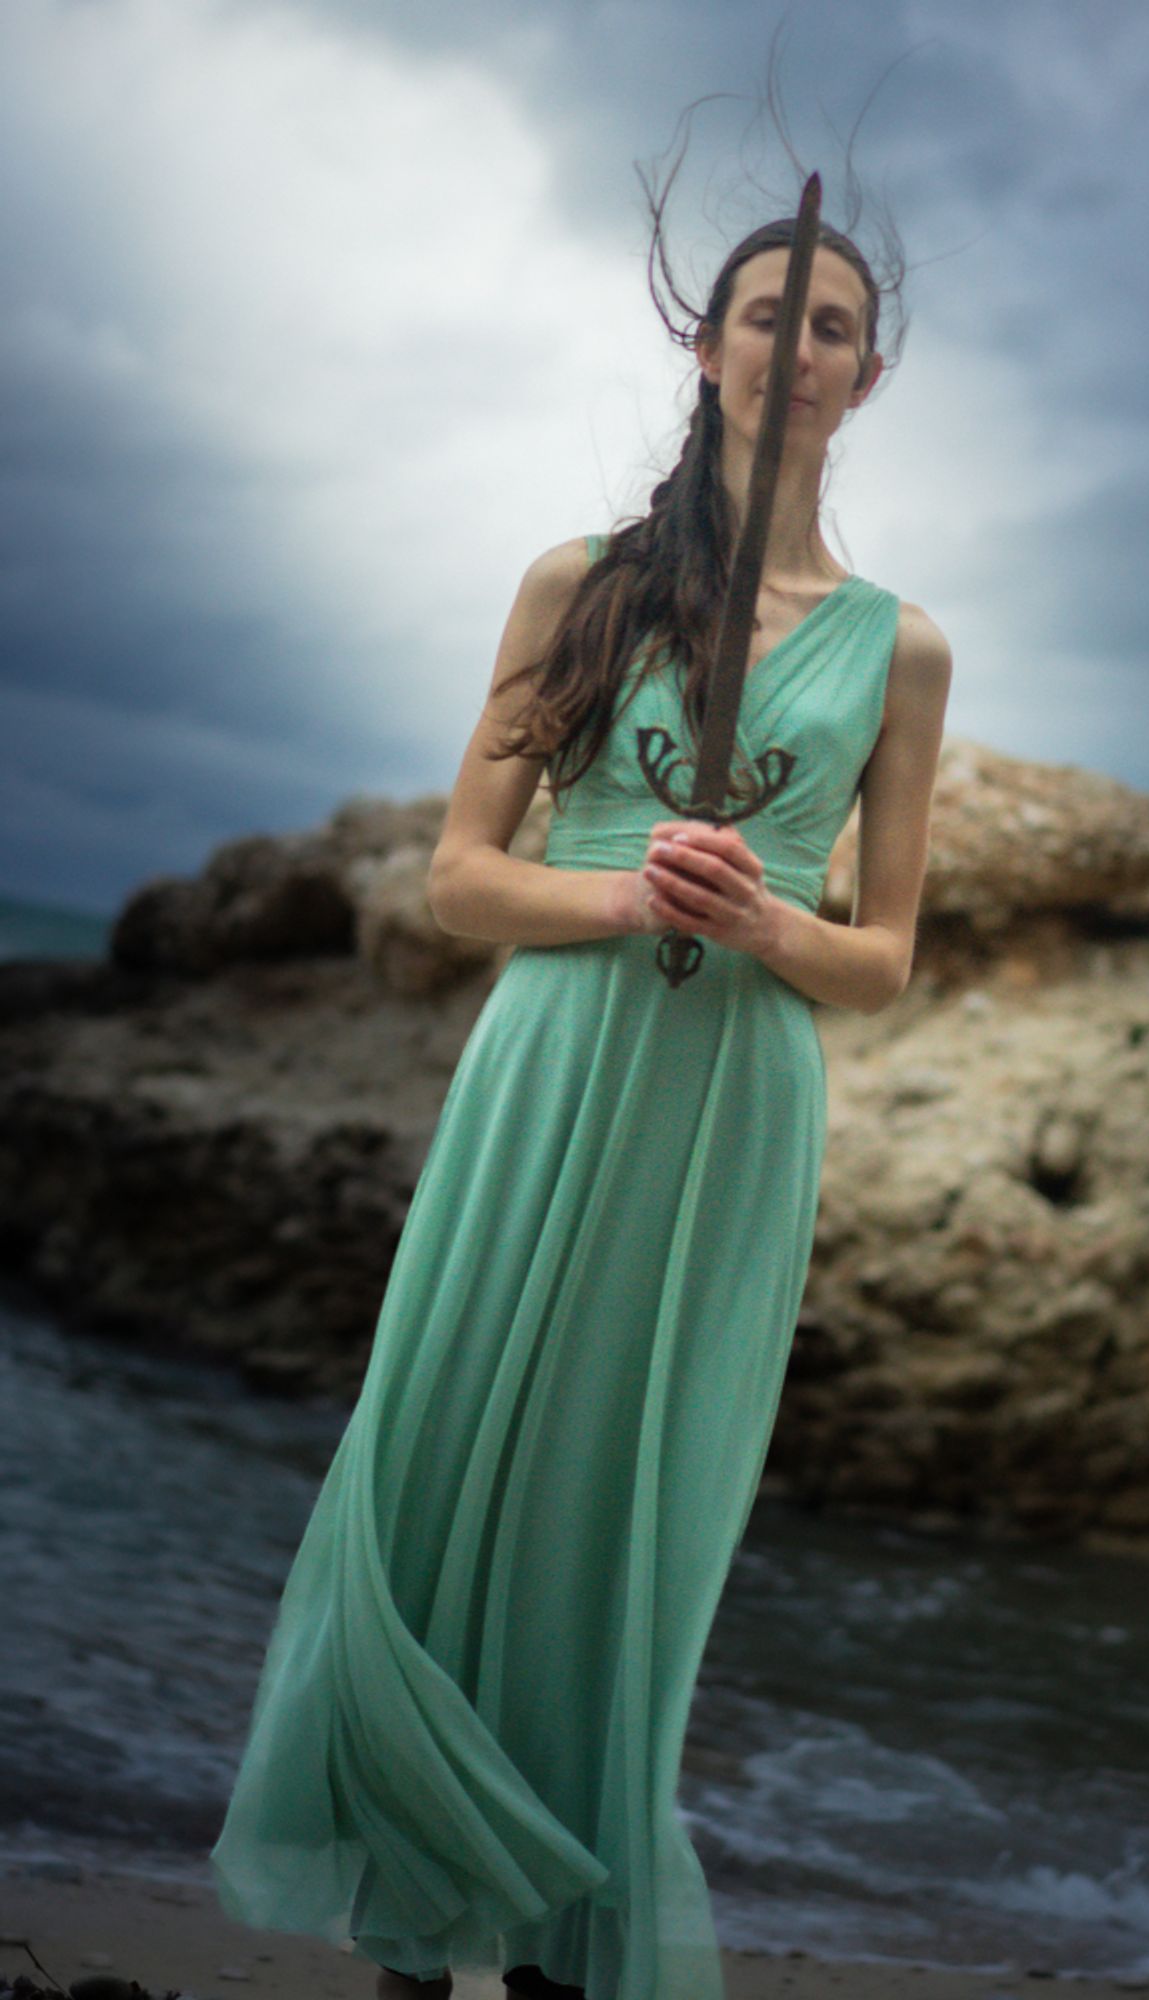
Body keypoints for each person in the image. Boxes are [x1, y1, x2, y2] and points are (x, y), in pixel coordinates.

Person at [208, 196, 952, 2000]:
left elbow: (886, 959)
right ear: (706, 348)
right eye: (764, 313)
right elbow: (461, 881)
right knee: (448, 1468)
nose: (794, 345)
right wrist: (622, 894)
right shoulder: (579, 586)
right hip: (548, 1073)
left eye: (833, 324)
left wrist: (773, 917)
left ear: (866, 377)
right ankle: (410, 1930)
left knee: (626, 1522)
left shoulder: (903, 650)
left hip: (730, 1108)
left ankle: (557, 1947)